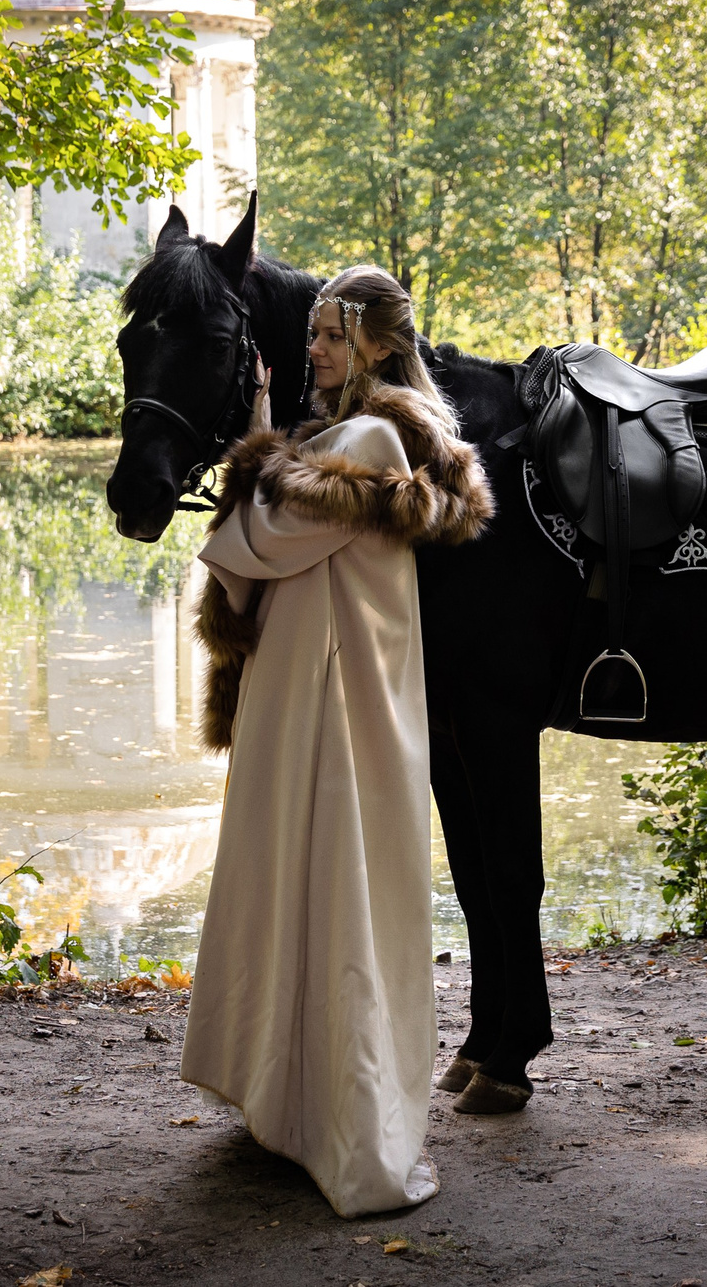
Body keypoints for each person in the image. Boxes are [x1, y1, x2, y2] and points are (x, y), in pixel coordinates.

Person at [180, 264, 493, 1217]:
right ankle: (293, 1100)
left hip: (333, 702)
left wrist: (257, 447)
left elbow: (252, 540)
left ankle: (343, 1124)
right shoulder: (358, 440)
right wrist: (276, 439)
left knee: (335, 889)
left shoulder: (360, 442)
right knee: (306, 887)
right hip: (318, 697)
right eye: (312, 332)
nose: (313, 348)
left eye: (328, 336)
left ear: (379, 346)